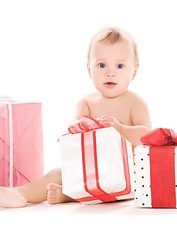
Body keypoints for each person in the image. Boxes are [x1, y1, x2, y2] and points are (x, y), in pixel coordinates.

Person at [0, 26, 152, 208]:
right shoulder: (86, 103)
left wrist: (120, 129)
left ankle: (69, 195)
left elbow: (146, 137)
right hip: (90, 171)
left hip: (124, 175)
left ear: (133, 72)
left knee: (119, 186)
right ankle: (20, 193)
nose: (110, 72)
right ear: (89, 70)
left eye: (120, 66)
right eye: (101, 65)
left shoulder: (135, 103)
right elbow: (74, 133)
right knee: (57, 174)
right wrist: (77, 126)